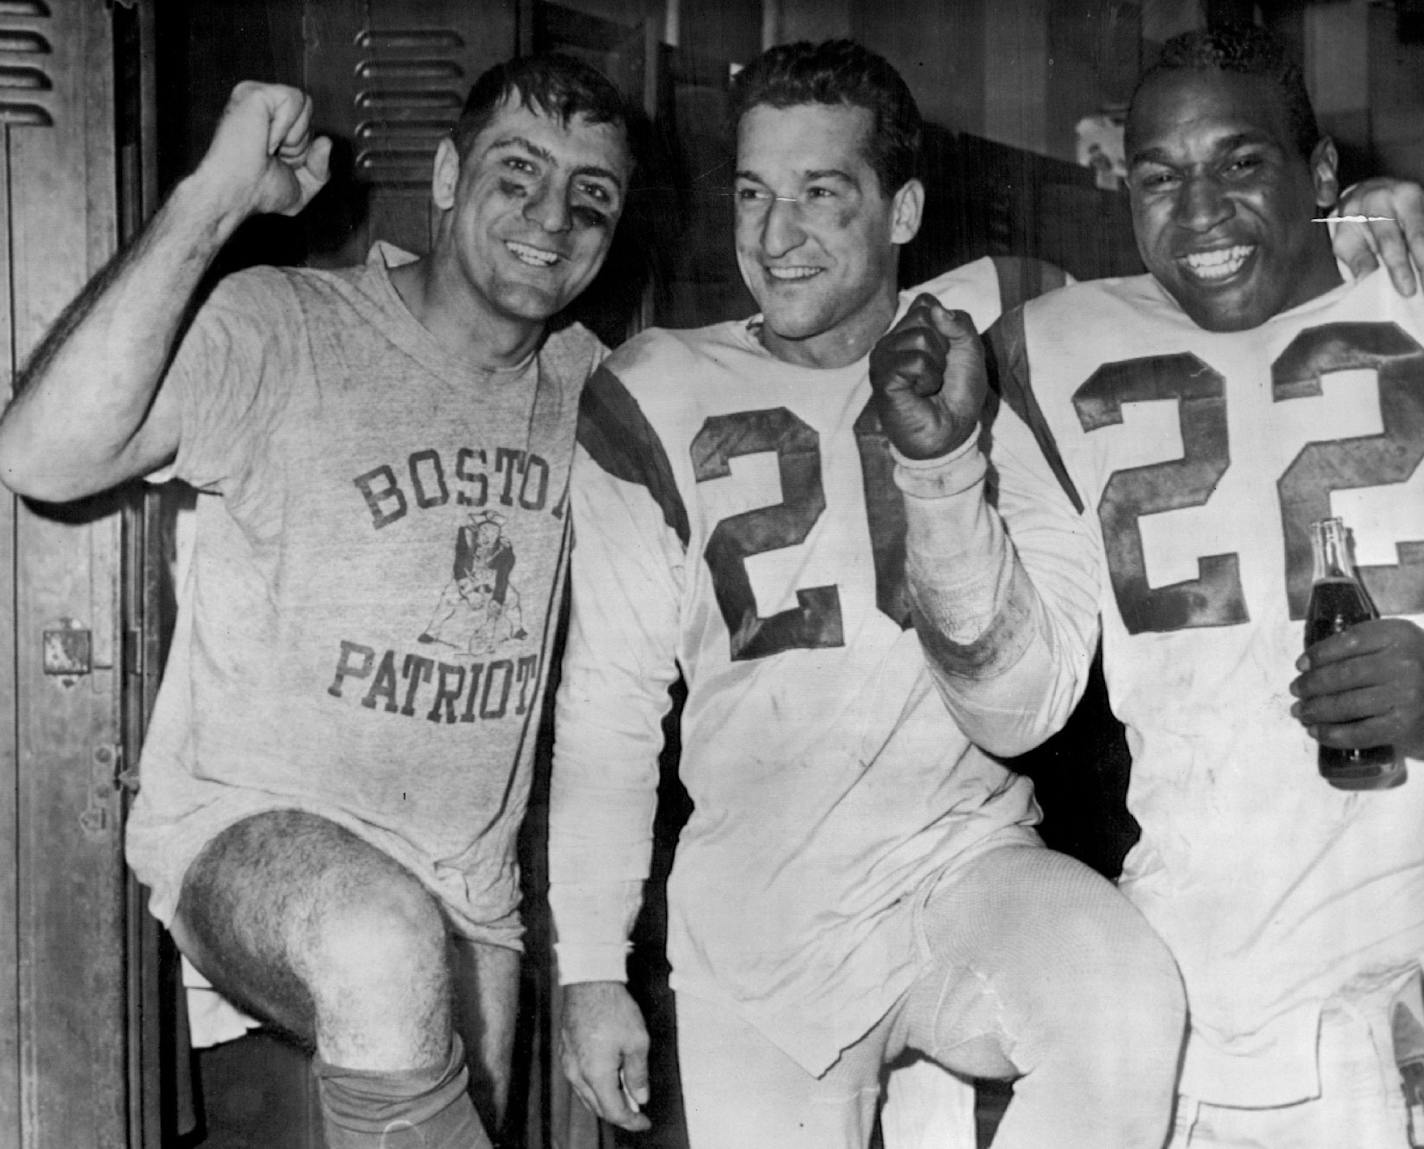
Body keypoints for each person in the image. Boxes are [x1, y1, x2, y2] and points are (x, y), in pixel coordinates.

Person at [547, 38, 1190, 1149]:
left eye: (818, 194)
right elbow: (605, 707)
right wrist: (592, 965)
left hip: (964, 863)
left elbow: (1209, 275)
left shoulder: (992, 334)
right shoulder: (650, 391)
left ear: (901, 211)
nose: (772, 236)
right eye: (752, 193)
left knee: (1123, 998)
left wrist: (1358, 227)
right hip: (763, 910)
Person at [0, 55, 634, 1149]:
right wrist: (216, 198)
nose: (552, 216)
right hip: (248, 833)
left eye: (593, 193)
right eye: (516, 170)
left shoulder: (598, 387)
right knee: (378, 941)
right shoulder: (287, 325)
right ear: (443, 175)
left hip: (470, 890)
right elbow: (45, 457)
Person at [874, 23, 1424, 1148]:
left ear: (1317, 174)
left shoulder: (1409, 293)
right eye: (1159, 178)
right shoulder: (1058, 352)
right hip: (1200, 1009)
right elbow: (1010, 704)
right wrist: (937, 474)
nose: (1200, 213)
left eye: (1239, 164)